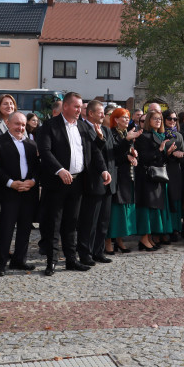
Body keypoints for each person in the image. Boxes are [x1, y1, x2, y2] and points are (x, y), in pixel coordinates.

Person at [36, 91, 109, 274]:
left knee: (72, 223)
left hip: (77, 182)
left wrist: (103, 170)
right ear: (66, 106)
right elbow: (45, 151)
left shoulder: (83, 127)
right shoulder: (50, 126)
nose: (79, 110)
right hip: (57, 182)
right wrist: (59, 170)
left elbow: (94, 151)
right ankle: (51, 261)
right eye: (76, 106)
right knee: (55, 223)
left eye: (80, 106)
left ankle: (71, 260)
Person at [0, 111, 40, 275]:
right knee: (6, 229)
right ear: (9, 124)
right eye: (17, 124)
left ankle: (19, 260)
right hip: (9, 191)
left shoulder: (32, 144)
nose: (21, 127)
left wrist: (33, 181)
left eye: (23, 125)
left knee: (25, 229)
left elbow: (38, 167)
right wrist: (11, 183)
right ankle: (1, 264)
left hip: (28, 191)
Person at [78, 101, 118, 264]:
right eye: (100, 112)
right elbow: (91, 154)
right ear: (91, 113)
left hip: (108, 182)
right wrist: (99, 140)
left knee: (103, 221)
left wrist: (128, 143)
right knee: (90, 222)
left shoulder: (107, 130)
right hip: (93, 182)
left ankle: (98, 251)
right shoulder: (82, 129)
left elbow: (112, 153)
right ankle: (85, 253)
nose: (103, 115)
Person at [134, 110, 173, 251]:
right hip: (146, 177)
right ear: (149, 120)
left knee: (154, 209)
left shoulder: (160, 135)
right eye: (155, 118)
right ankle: (144, 238)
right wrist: (160, 149)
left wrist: (165, 153)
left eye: (160, 119)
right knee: (147, 208)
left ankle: (149, 237)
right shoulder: (144, 136)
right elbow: (144, 157)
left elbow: (161, 160)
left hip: (157, 177)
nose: (158, 121)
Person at [106, 108, 140, 254]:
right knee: (115, 211)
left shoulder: (127, 133)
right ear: (116, 119)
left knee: (124, 211)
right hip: (116, 176)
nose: (127, 119)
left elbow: (126, 151)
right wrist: (126, 153)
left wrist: (133, 153)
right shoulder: (111, 133)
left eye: (127, 117)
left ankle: (120, 240)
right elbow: (113, 154)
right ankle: (108, 241)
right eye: (123, 117)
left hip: (128, 176)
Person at [161, 109, 184, 243]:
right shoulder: (160, 134)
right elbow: (157, 154)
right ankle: (166, 230)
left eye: (175, 119)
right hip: (164, 170)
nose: (172, 121)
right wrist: (170, 154)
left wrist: (180, 155)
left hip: (176, 170)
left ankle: (176, 229)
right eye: (169, 119)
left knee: (176, 198)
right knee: (166, 199)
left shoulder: (178, 135)